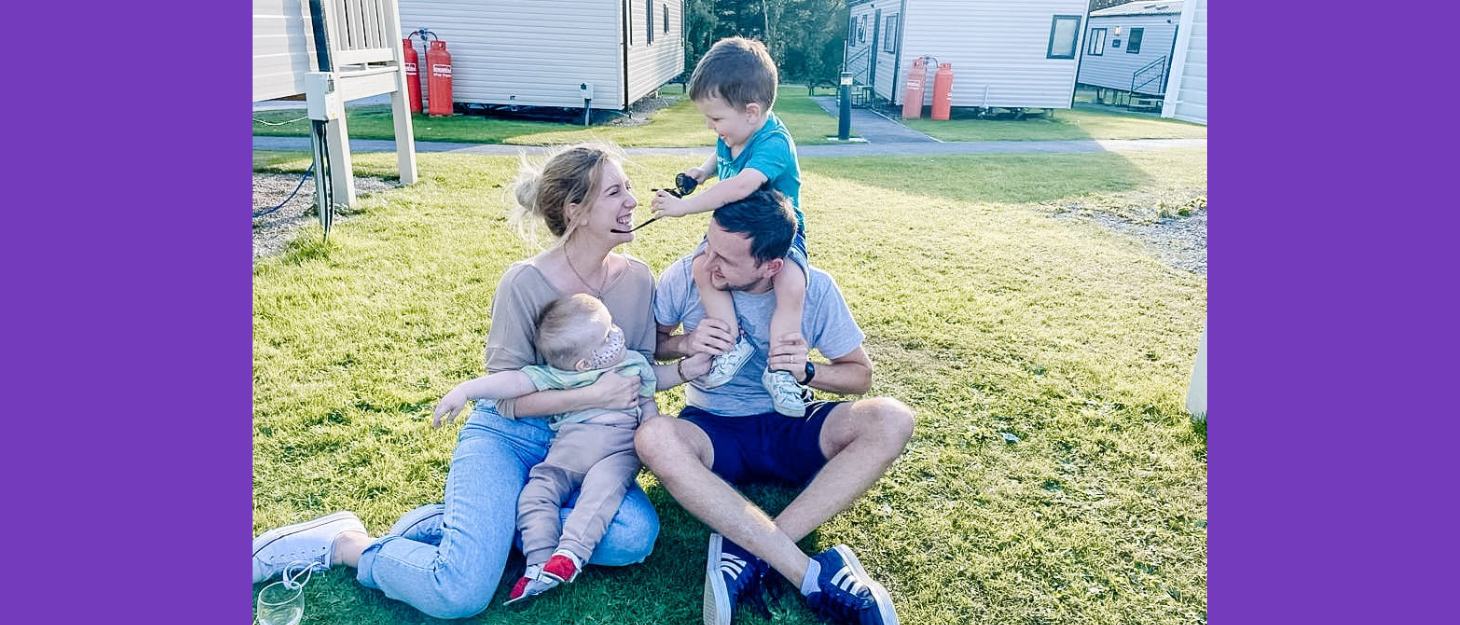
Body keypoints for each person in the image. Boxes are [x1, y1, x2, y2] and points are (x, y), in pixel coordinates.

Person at [251, 143, 711, 619]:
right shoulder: (524, 283)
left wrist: (689, 347)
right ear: (576, 210)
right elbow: (509, 401)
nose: (633, 201)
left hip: (584, 445)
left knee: (633, 537)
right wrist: (593, 393)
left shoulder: (637, 278)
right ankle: (344, 543)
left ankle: (480, 523)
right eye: (616, 192)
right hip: (511, 437)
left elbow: (632, 360)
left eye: (628, 189)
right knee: (458, 594)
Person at [637, 188, 915, 625]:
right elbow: (647, 347)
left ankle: (750, 549)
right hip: (715, 429)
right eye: (708, 245)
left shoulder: (816, 288)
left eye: (726, 260)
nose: (709, 263)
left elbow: (860, 375)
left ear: (771, 266)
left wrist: (807, 372)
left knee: (893, 418)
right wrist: (685, 343)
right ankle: (807, 572)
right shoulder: (685, 276)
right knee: (653, 436)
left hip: (794, 427)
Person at [429, 293, 708, 605]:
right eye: (607, 335)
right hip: (564, 454)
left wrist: (687, 371)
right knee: (535, 496)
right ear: (584, 364)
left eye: (613, 325)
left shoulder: (632, 362)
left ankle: (570, 554)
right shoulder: (561, 375)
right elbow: (513, 383)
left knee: (599, 496)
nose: (617, 333)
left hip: (616, 453)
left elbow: (656, 379)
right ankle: (538, 562)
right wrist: (465, 390)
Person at [650, 36, 812, 418]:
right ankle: (730, 343)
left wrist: (684, 207)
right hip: (733, 232)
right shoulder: (735, 132)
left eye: (717, 118)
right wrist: (702, 172)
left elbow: (740, 186)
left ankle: (781, 368)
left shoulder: (774, 143)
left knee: (791, 284)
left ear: (752, 112)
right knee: (703, 269)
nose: (711, 126)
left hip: (777, 236)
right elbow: (722, 154)